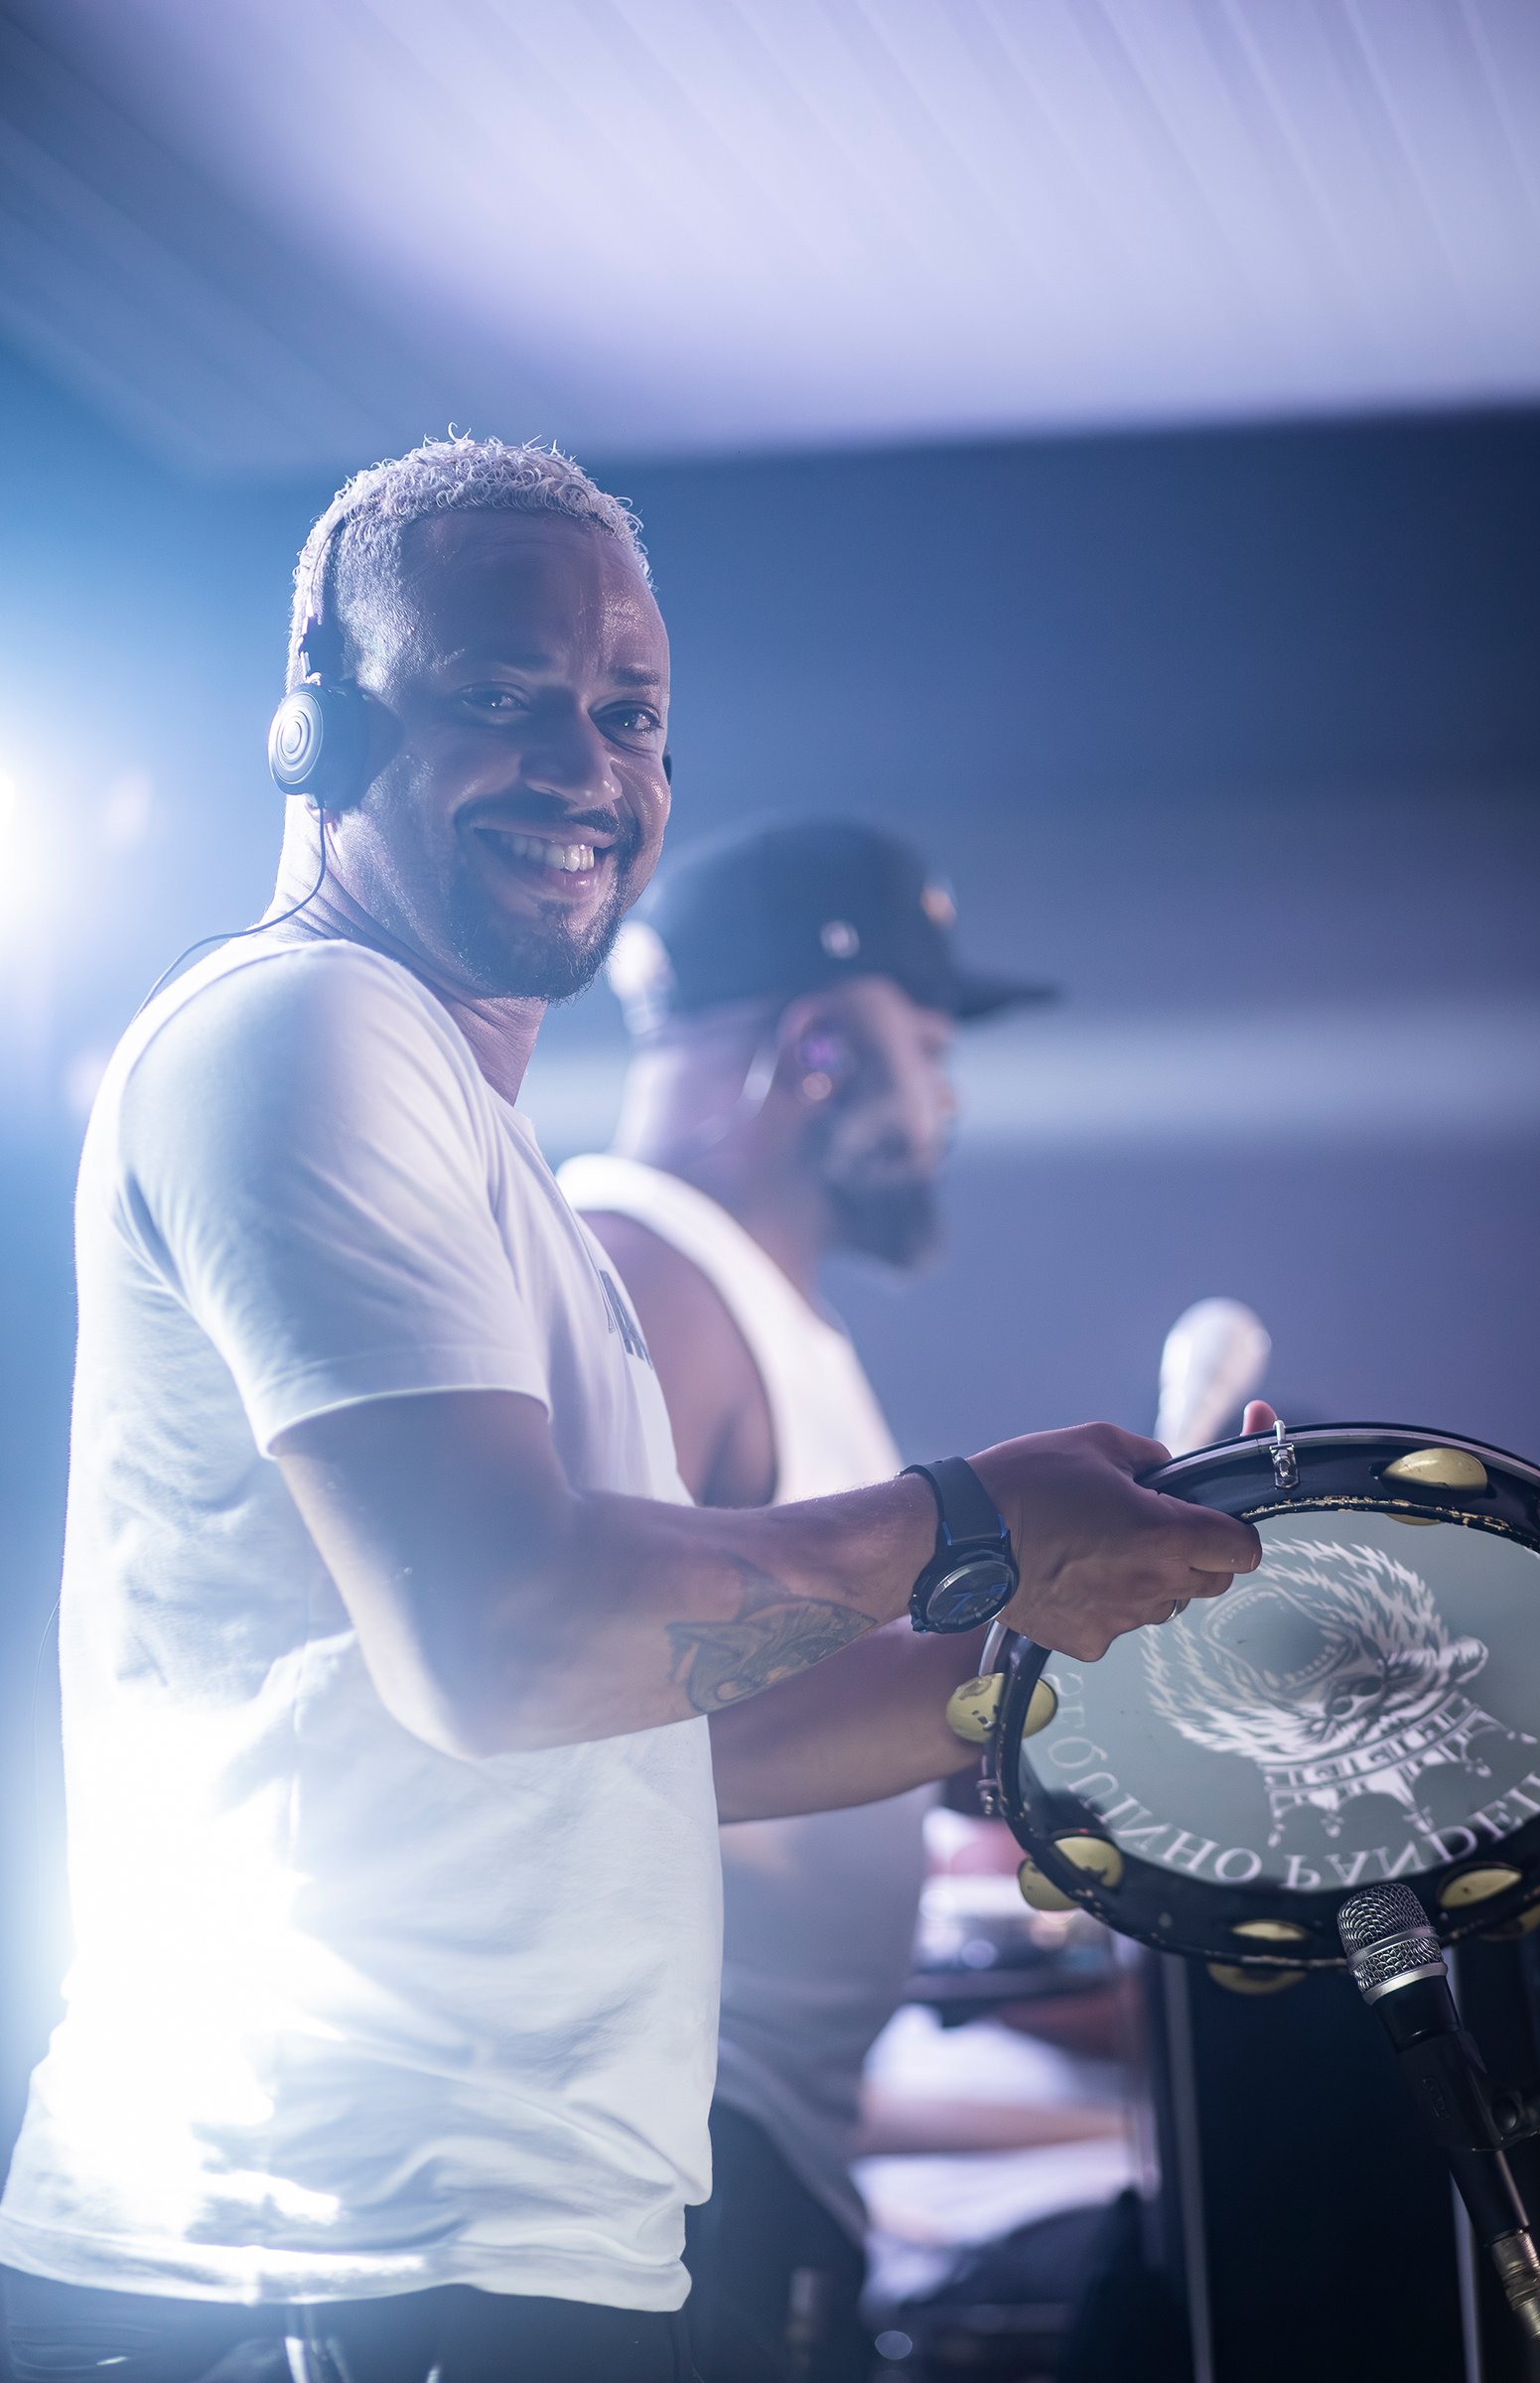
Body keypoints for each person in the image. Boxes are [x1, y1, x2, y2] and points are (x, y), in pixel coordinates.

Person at [0, 436, 1258, 2383]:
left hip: (508, 2230)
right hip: (330, 2237)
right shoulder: (307, 1024)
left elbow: (666, 1720)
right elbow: (505, 1644)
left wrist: (1050, 1643)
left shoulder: (473, 1137)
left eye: (629, 713)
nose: (584, 766)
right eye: (503, 698)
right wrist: (973, 1524)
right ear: (316, 725)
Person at [560, 817, 1054, 2381]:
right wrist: (1030, 1651)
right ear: (822, 1049)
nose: (949, 1101)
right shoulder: (648, 1275)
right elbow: (595, 1718)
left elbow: (778, 1691)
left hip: (755, 2135)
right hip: (676, 2136)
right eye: (931, 1050)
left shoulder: (752, 1300)